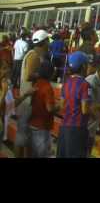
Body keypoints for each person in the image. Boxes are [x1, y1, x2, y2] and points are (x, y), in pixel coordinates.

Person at [15, 29, 50, 158]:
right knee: (22, 138)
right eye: (47, 41)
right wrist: (44, 75)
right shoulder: (34, 55)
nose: (49, 44)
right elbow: (28, 75)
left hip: (28, 102)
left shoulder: (33, 54)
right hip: (28, 103)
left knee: (26, 140)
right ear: (43, 42)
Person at [29, 60, 59, 158]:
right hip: (42, 126)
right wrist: (60, 106)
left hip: (34, 123)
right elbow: (49, 108)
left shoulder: (37, 83)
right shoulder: (47, 87)